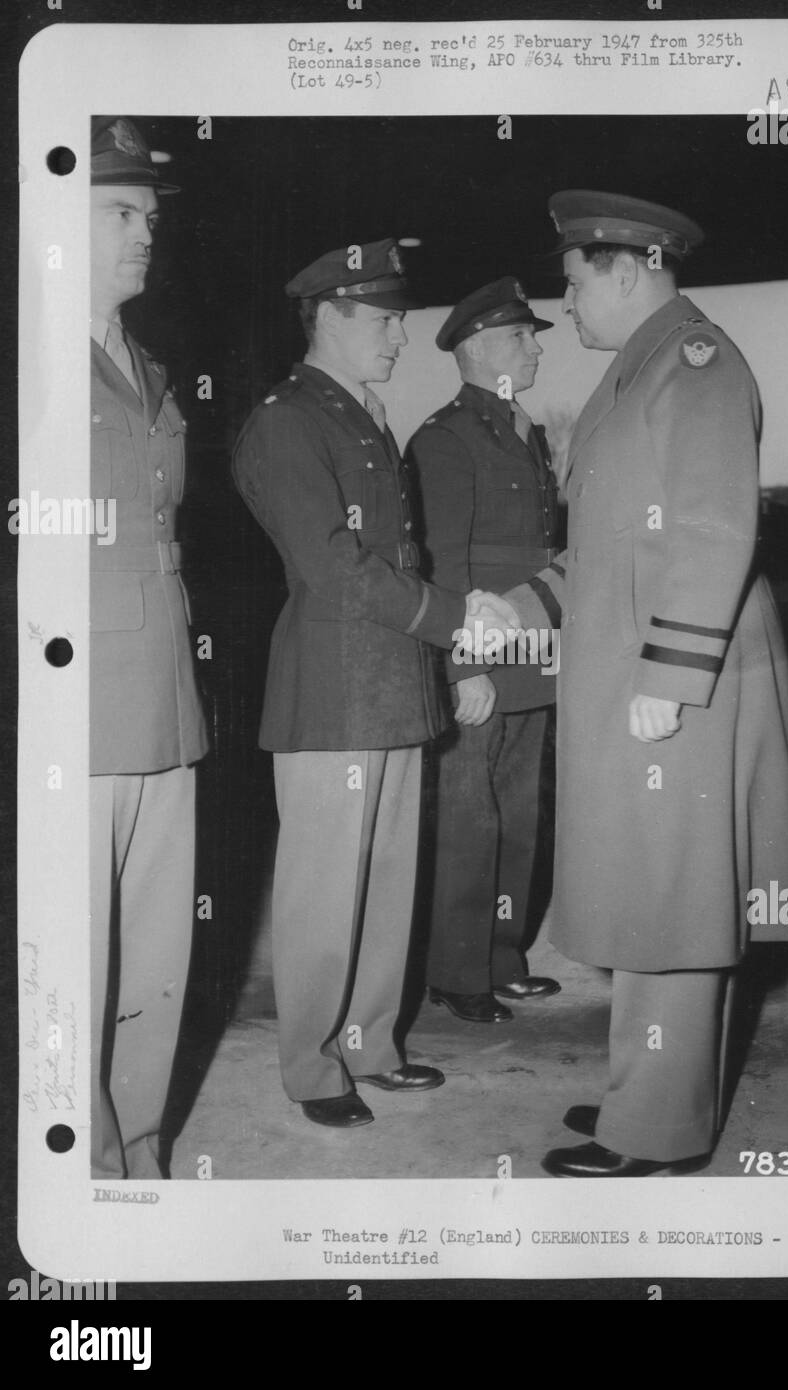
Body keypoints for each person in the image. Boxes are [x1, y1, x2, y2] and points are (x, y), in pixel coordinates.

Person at [504, 191, 788, 1176]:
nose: (567, 300)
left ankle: (657, 1131)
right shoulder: (640, 371)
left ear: (626, 269)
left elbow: (715, 527)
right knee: (650, 886)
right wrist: (526, 604)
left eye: (573, 279)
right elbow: (610, 543)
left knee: (672, 898)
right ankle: (648, 1091)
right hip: (643, 666)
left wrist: (670, 676)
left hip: (681, 675)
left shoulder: (695, 365)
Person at [232, 242, 518, 1129]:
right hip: (332, 688)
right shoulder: (287, 420)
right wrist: (452, 617)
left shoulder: (361, 412)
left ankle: (371, 1041)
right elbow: (332, 568)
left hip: (391, 678)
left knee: (390, 875)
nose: (403, 333)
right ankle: (313, 1067)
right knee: (326, 887)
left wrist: (441, 633)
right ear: (332, 318)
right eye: (387, 318)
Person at [89, 117, 208, 1178]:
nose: (145, 234)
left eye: (151, 217)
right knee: (75, 955)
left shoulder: (150, 366)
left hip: (165, 691)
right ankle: (80, 1163)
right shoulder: (34, 362)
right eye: (120, 212)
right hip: (77, 710)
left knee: (157, 947)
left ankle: (142, 1143)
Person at [408, 278, 562, 1024]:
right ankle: (457, 971)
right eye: (520, 337)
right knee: (470, 817)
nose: (534, 348)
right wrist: (464, 665)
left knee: (520, 815)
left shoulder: (521, 428)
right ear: (477, 350)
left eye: (532, 336)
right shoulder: (445, 438)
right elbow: (442, 561)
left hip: (532, 653)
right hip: (482, 656)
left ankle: (502, 957)